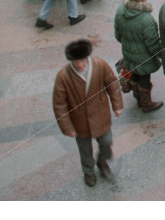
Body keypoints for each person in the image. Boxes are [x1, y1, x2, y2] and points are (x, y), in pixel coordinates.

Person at [52, 39, 122, 187]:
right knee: (84, 149)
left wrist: (117, 105)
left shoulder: (100, 65)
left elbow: (112, 84)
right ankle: (88, 171)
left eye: (82, 60)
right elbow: (59, 105)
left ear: (88, 57)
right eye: (76, 62)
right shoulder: (63, 76)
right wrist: (67, 127)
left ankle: (102, 161)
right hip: (79, 121)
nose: (80, 64)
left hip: (100, 115)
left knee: (106, 141)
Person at [114, 0, 164, 113]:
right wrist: (160, 54)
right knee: (144, 78)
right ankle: (147, 103)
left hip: (128, 52)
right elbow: (152, 43)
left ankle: (138, 99)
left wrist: (128, 45)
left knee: (134, 74)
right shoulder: (146, 19)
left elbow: (118, 34)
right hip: (144, 56)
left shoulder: (120, 11)